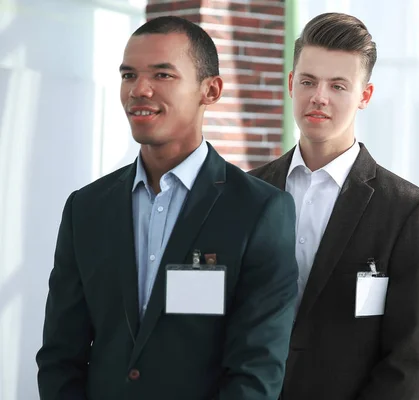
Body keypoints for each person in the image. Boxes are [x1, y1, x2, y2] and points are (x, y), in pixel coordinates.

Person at [36, 16, 298, 400]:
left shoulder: (260, 211)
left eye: (162, 75)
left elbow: (256, 369)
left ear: (210, 90)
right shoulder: (86, 209)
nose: (139, 89)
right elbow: (61, 356)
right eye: (129, 75)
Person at [249, 12, 419, 400]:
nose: (319, 97)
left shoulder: (408, 210)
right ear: (291, 85)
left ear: (364, 96)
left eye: (338, 85)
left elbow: (408, 360)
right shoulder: (248, 192)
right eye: (308, 82)